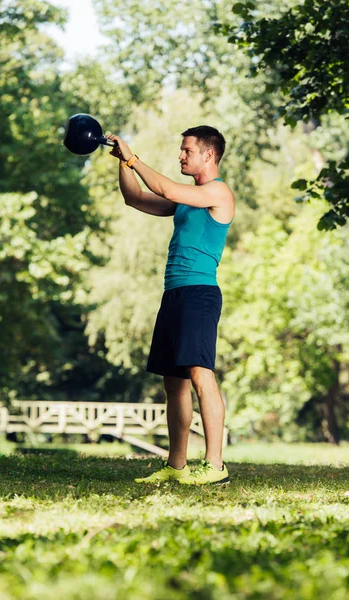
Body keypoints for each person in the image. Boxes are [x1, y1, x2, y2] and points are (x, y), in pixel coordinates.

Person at [106, 125, 235, 485]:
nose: (180, 156)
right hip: (175, 293)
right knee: (173, 383)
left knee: (200, 374)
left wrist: (134, 156)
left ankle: (215, 465)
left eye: (187, 151)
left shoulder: (218, 193)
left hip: (200, 294)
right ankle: (176, 466)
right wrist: (123, 163)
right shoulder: (187, 200)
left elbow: (162, 187)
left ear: (208, 155)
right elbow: (136, 198)